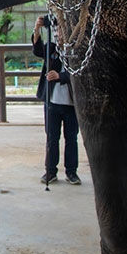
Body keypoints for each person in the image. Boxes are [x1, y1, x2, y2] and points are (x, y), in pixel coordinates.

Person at [33, 15, 81, 186]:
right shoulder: (51, 49)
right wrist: (37, 30)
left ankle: (71, 172)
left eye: (64, 30)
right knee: (52, 138)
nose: (60, 34)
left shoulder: (76, 50)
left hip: (71, 104)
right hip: (52, 102)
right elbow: (38, 50)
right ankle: (50, 171)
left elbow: (78, 73)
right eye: (58, 30)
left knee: (71, 138)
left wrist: (60, 76)